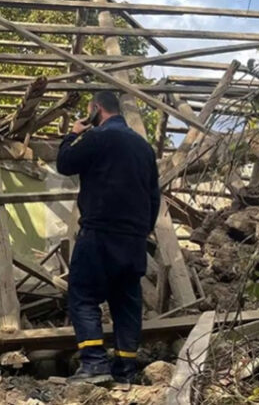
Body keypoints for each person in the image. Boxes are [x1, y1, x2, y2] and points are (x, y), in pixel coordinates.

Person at [56, 91, 160, 384]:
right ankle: (125, 369)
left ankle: (94, 364)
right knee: (126, 301)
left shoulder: (97, 138)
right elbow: (154, 196)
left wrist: (72, 134)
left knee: (83, 295)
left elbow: (64, 163)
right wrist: (142, 230)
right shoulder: (144, 148)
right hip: (134, 238)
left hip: (99, 232)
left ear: (96, 110)